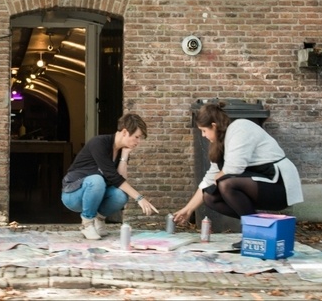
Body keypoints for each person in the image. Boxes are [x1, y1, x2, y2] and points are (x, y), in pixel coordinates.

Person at [174, 102, 303, 239]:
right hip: (258, 184)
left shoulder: (240, 127)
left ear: (214, 126)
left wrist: (218, 178)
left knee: (226, 183)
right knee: (210, 197)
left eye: (204, 130)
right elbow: (208, 180)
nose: (203, 135)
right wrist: (188, 209)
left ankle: (253, 233)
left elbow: (235, 168)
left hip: (279, 185)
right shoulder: (219, 145)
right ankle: (259, 226)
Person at [61, 113, 160, 240]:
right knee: (97, 180)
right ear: (124, 132)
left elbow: (119, 181)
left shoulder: (120, 150)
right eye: (137, 137)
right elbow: (113, 177)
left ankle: (99, 220)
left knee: (121, 194)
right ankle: (87, 224)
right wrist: (139, 198)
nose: (138, 142)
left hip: (96, 195)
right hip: (73, 194)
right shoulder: (99, 143)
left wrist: (124, 156)